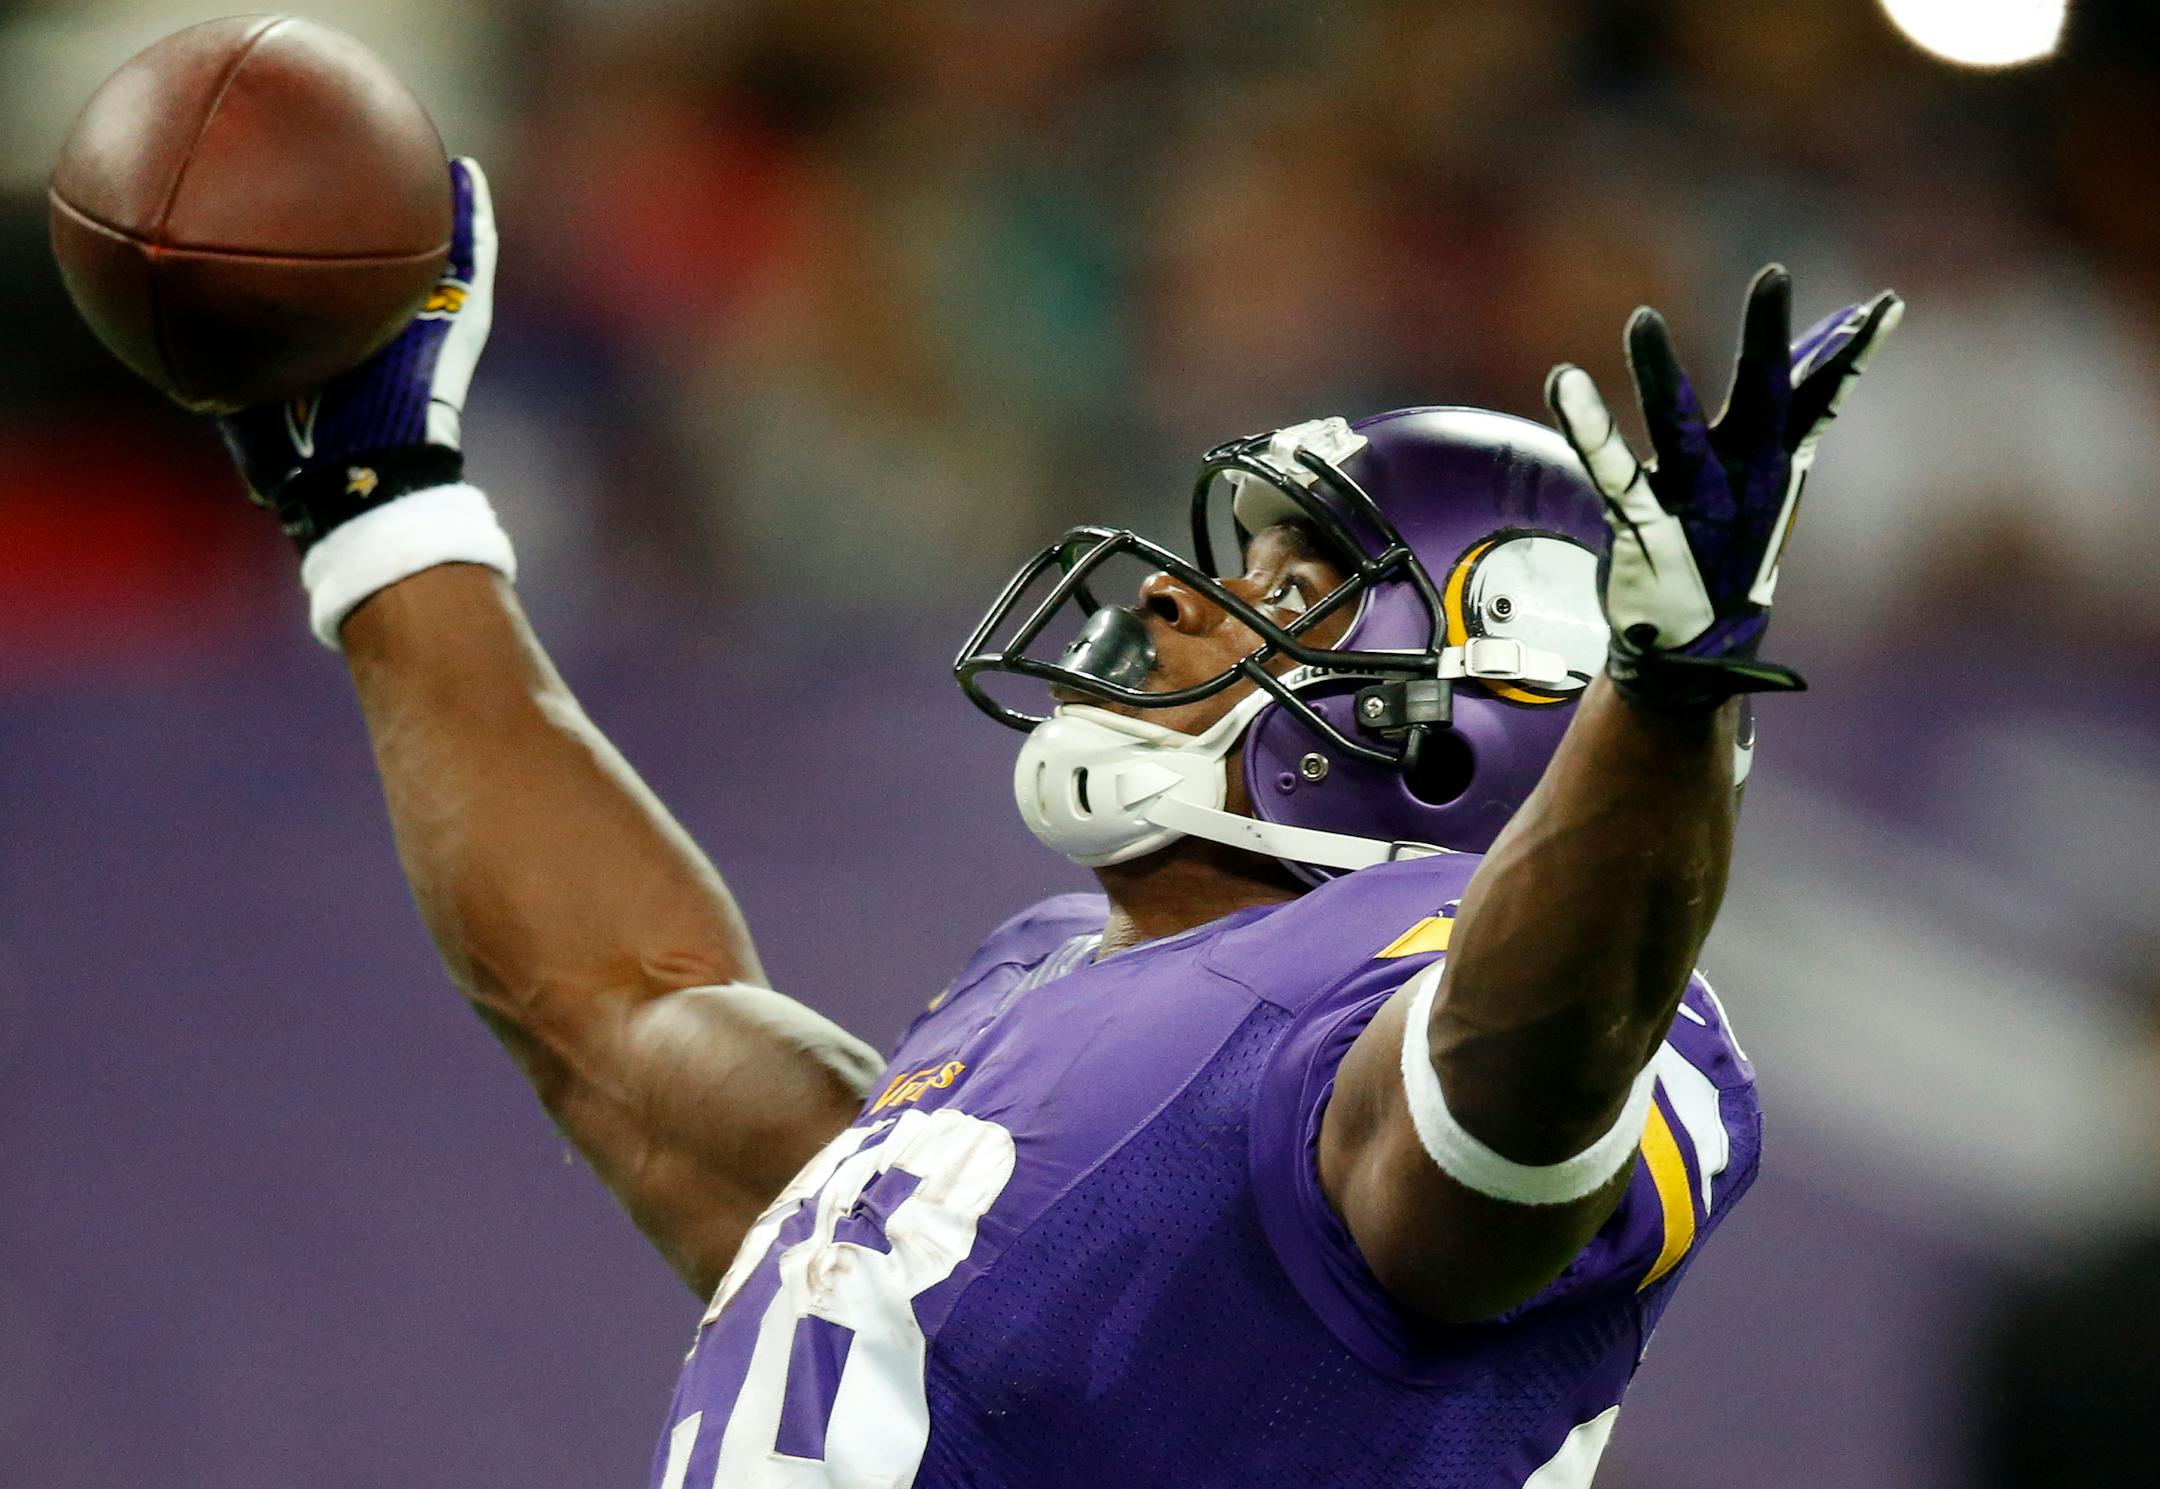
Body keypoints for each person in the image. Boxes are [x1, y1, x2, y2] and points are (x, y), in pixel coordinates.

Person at [217, 159, 1899, 1487]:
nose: (1180, 611)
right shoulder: (1057, 992)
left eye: (1292, 592)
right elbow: (626, 1006)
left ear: (1465, 706)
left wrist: (1668, 706)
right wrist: (387, 517)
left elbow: (1509, 1107)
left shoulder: (1485, 1006)